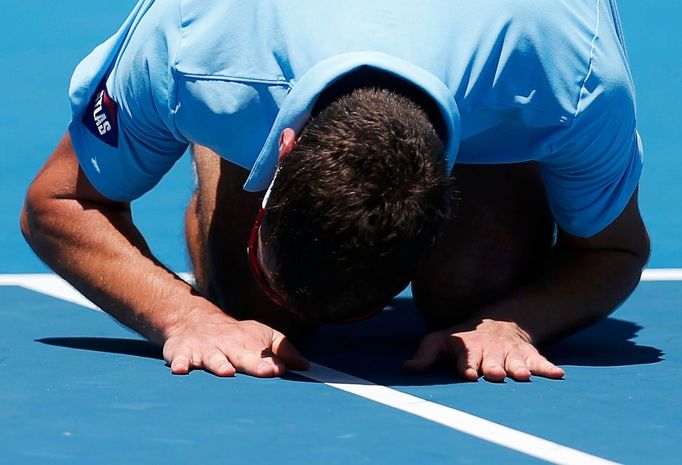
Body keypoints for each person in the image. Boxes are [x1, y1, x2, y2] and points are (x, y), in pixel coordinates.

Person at [21, 0, 649, 382]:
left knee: (475, 288)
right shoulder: (195, 46)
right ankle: (222, 139)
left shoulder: (572, 77)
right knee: (255, 311)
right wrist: (185, 315)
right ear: (285, 147)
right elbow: (58, 201)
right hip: (248, 73)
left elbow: (614, 248)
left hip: (504, 79)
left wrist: (516, 322)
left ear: (446, 193)